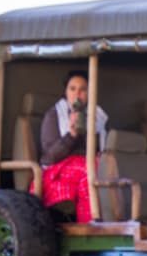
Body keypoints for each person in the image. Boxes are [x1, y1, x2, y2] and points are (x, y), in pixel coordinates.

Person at [38, 69, 108, 223]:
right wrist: (71, 135)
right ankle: (89, 228)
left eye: (83, 89)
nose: (77, 94)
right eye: (72, 89)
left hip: (89, 165)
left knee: (107, 169)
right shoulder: (54, 115)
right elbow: (49, 157)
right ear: (66, 92)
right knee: (89, 174)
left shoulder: (97, 116)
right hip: (57, 171)